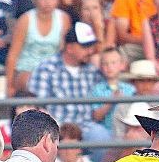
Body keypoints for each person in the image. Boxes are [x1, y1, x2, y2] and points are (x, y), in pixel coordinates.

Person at [29, 21, 106, 152]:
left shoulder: (93, 70)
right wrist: (56, 128)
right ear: (69, 48)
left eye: (91, 46)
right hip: (57, 129)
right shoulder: (47, 68)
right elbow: (37, 106)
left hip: (86, 127)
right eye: (85, 47)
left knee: (101, 136)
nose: (90, 51)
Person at [7, 0, 70, 95]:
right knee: (33, 82)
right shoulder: (25, 20)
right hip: (26, 70)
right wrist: (10, 85)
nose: (47, 2)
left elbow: (63, 52)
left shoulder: (63, 19)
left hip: (53, 71)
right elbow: (13, 54)